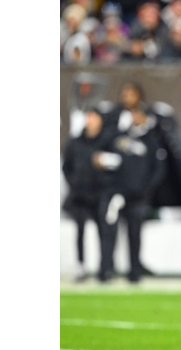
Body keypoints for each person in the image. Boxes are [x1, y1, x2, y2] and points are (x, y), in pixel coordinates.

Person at [94, 103, 166, 283]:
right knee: (108, 234)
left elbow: (158, 170)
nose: (134, 116)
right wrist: (101, 161)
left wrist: (144, 189)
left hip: (137, 197)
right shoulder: (117, 135)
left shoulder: (152, 140)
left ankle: (135, 272)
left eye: (138, 113)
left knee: (135, 236)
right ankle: (106, 270)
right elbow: (98, 154)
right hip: (115, 195)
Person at [62, 108, 112, 281]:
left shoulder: (107, 141)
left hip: (100, 194)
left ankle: (104, 268)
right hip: (80, 195)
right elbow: (66, 166)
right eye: (88, 116)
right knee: (80, 232)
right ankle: (80, 266)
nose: (90, 120)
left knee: (104, 232)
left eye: (93, 116)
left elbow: (117, 163)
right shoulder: (75, 142)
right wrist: (74, 183)